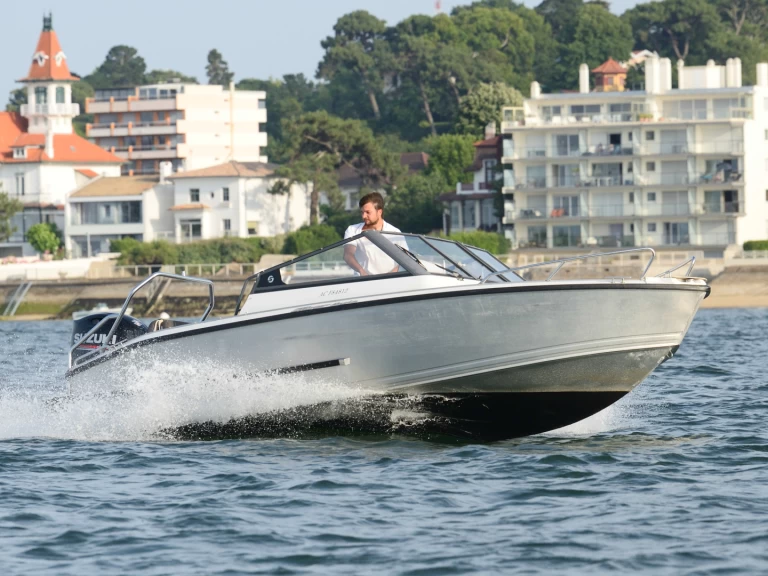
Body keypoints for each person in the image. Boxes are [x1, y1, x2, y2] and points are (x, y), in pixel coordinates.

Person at [344, 192, 402, 276]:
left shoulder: (395, 232)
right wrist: (361, 271)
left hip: (389, 281)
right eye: (362, 212)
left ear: (379, 212)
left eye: (368, 212)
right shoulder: (352, 230)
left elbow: (403, 260)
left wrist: (389, 277)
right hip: (362, 281)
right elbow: (348, 254)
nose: (363, 216)